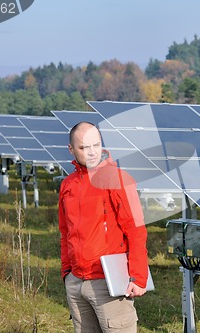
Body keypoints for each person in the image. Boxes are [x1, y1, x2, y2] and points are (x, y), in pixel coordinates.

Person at [58, 121, 148, 332]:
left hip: (108, 282)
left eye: (95, 145)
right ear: (71, 149)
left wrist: (139, 276)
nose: (91, 152)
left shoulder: (118, 179)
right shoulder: (68, 185)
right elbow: (65, 231)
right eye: (83, 147)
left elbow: (136, 230)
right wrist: (67, 272)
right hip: (76, 282)